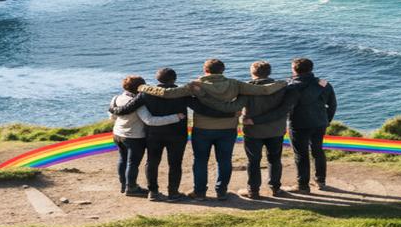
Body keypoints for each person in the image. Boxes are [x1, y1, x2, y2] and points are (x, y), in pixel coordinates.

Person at [138, 59, 285, 200]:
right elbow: (264, 90)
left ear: (205, 70)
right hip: (228, 127)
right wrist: (283, 82)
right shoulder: (235, 84)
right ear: (222, 70)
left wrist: (143, 87)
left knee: (201, 160)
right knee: (224, 160)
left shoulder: (196, 85)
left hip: (203, 128)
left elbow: (167, 93)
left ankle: (200, 192)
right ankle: (221, 192)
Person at [247, 57, 336, 193]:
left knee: (301, 154)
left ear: (294, 70)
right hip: (319, 123)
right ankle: (321, 181)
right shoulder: (323, 84)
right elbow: (332, 105)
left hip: (298, 124)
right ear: (311, 69)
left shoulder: (292, 87)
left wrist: (257, 120)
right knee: (318, 151)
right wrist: (326, 120)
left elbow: (283, 109)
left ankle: (303, 185)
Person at [108, 75, 185, 197]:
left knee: (123, 160)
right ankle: (131, 188)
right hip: (134, 136)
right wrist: (175, 117)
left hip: (117, 133)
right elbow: (150, 121)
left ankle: (124, 185)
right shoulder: (139, 103)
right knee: (132, 163)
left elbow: (112, 116)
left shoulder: (116, 98)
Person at [237, 61, 289, 199]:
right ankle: (276, 188)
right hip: (276, 130)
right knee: (274, 159)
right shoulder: (281, 87)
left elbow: (237, 107)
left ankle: (253, 191)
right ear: (269, 72)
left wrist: (241, 119)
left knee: (253, 161)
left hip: (253, 131)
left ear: (252, 72)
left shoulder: (246, 88)